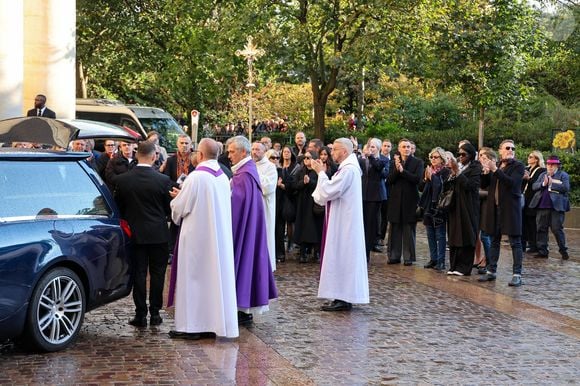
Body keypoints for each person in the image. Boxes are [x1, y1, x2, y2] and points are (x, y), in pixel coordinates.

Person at [167, 138, 239, 340]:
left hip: (197, 239)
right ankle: (211, 324)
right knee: (212, 281)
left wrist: (176, 199)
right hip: (218, 239)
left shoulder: (196, 177)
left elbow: (181, 207)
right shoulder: (222, 176)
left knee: (193, 280)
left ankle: (191, 326)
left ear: (200, 154)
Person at [114, 140, 173, 327]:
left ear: (136, 155)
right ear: (154, 156)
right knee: (158, 274)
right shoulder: (163, 181)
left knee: (138, 274)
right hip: (158, 233)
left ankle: (140, 313)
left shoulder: (123, 181)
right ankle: (155, 313)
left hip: (135, 234)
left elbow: (119, 209)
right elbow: (168, 209)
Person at [311, 138, 369, 311]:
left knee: (343, 255)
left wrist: (320, 173)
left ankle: (344, 297)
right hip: (343, 219)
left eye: (335, 149)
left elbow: (329, 190)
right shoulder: (347, 169)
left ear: (344, 151)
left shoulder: (348, 170)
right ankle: (341, 295)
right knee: (341, 255)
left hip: (345, 223)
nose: (332, 153)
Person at [227, 136, 278, 325]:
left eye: (232, 151)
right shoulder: (246, 171)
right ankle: (243, 308)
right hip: (250, 224)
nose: (229, 155)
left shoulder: (245, 174)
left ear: (243, 152)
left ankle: (243, 309)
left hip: (244, 227)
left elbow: (235, 203)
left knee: (245, 260)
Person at [479, 140, 525, 287]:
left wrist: (495, 170)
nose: (511, 150)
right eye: (507, 148)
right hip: (495, 208)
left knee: (515, 242)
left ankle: (517, 274)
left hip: (511, 210)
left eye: (513, 148)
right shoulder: (497, 165)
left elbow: (512, 183)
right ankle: (491, 271)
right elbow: (484, 184)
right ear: (500, 151)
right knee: (494, 240)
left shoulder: (518, 166)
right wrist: (485, 172)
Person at [386, 139, 424, 266]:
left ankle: (408, 257)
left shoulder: (418, 162)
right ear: (399, 148)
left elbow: (417, 180)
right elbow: (389, 181)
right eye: (404, 147)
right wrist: (397, 170)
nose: (406, 149)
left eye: (408, 147)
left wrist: (403, 171)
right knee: (395, 228)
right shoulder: (393, 163)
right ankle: (394, 255)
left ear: (411, 148)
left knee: (408, 230)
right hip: (396, 200)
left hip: (410, 200)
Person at [446, 143, 481, 276]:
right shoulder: (457, 166)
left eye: (463, 154)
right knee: (454, 234)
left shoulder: (475, 167)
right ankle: (454, 265)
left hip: (468, 206)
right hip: (455, 205)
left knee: (466, 234)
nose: (460, 157)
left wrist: (458, 173)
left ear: (471, 155)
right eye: (459, 154)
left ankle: (464, 267)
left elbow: (471, 186)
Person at [529, 155, 570, 260]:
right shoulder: (543, 175)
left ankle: (563, 250)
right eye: (548, 164)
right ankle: (543, 251)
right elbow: (534, 186)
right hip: (542, 206)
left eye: (553, 164)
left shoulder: (563, 175)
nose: (550, 166)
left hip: (556, 207)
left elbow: (566, 188)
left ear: (557, 166)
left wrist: (551, 185)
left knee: (557, 229)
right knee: (541, 229)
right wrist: (543, 183)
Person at [419, 147, 450, 272]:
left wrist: (433, 178)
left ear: (442, 159)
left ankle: (441, 261)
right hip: (428, 205)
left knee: (440, 235)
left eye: (435, 157)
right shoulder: (428, 170)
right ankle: (433, 259)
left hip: (439, 206)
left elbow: (441, 187)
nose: (433, 159)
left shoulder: (445, 171)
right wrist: (426, 179)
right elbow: (421, 187)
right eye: (431, 157)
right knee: (430, 234)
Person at [358, 138, 387, 263]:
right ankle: (359, 250)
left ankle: (367, 252)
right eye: (369, 146)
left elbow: (381, 171)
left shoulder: (383, 160)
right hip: (362, 195)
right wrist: (356, 150)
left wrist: (371, 157)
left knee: (370, 225)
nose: (371, 149)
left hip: (375, 196)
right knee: (361, 223)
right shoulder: (362, 160)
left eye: (373, 147)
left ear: (379, 148)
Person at [292, 150, 324, 263]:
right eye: (305, 158)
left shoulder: (318, 171)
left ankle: (317, 252)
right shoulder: (301, 171)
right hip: (303, 204)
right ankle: (303, 252)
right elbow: (295, 185)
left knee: (315, 227)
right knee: (303, 226)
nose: (306, 160)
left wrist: (310, 182)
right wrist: (303, 183)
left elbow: (322, 184)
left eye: (309, 158)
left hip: (314, 203)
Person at [252, 141, 278, 271]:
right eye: (253, 149)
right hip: (251, 207)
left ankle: (266, 266)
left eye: (258, 149)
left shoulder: (270, 167)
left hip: (264, 206)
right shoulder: (249, 165)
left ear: (264, 152)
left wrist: (254, 172)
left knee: (265, 235)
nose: (255, 152)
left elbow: (268, 187)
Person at [521, 150, 546, 254]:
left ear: (536, 159)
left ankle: (534, 244)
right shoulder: (527, 168)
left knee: (532, 223)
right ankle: (529, 243)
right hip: (524, 197)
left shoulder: (541, 170)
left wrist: (528, 178)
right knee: (525, 222)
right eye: (528, 156)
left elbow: (536, 184)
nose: (528, 158)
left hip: (533, 198)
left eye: (531, 157)